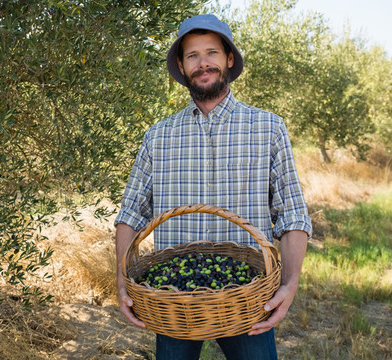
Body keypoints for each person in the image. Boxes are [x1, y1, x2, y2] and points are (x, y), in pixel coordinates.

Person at [114, 14, 313, 360]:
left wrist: (289, 284)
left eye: (212, 53)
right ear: (181, 64)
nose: (203, 63)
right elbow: (130, 214)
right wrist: (121, 281)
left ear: (229, 59)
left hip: (250, 298)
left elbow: (293, 215)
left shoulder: (268, 128)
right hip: (172, 299)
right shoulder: (158, 136)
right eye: (192, 55)